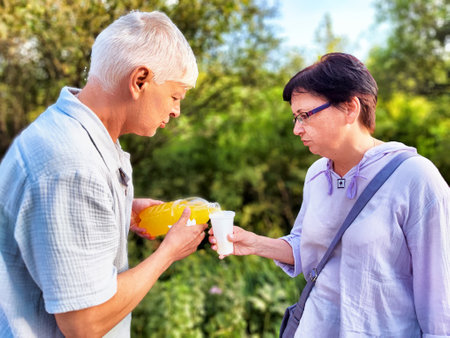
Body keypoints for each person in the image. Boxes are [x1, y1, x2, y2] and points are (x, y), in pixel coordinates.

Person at [209, 52, 450, 337]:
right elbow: (308, 246)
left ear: (350, 108)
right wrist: (255, 244)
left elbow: (440, 296)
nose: (297, 129)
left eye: (304, 116)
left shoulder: (415, 178)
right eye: (295, 118)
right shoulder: (316, 175)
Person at [0, 11, 208, 337]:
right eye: (175, 96)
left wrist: (121, 210)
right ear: (140, 80)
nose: (176, 110)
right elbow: (84, 322)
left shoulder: (76, 135)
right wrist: (169, 252)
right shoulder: (71, 166)